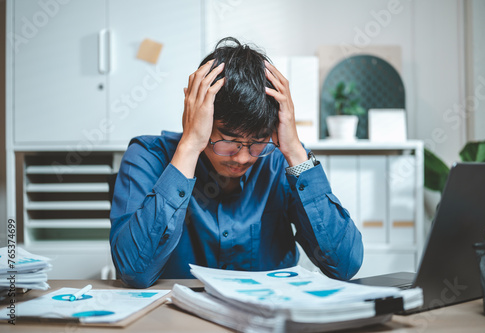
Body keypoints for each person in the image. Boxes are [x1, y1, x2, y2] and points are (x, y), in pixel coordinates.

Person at [110, 37, 363, 288]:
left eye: (258, 141)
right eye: (228, 141)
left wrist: (295, 150)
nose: (243, 157)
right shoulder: (146, 156)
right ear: (198, 118)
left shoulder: (280, 161)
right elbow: (134, 272)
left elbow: (344, 266)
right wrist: (189, 146)